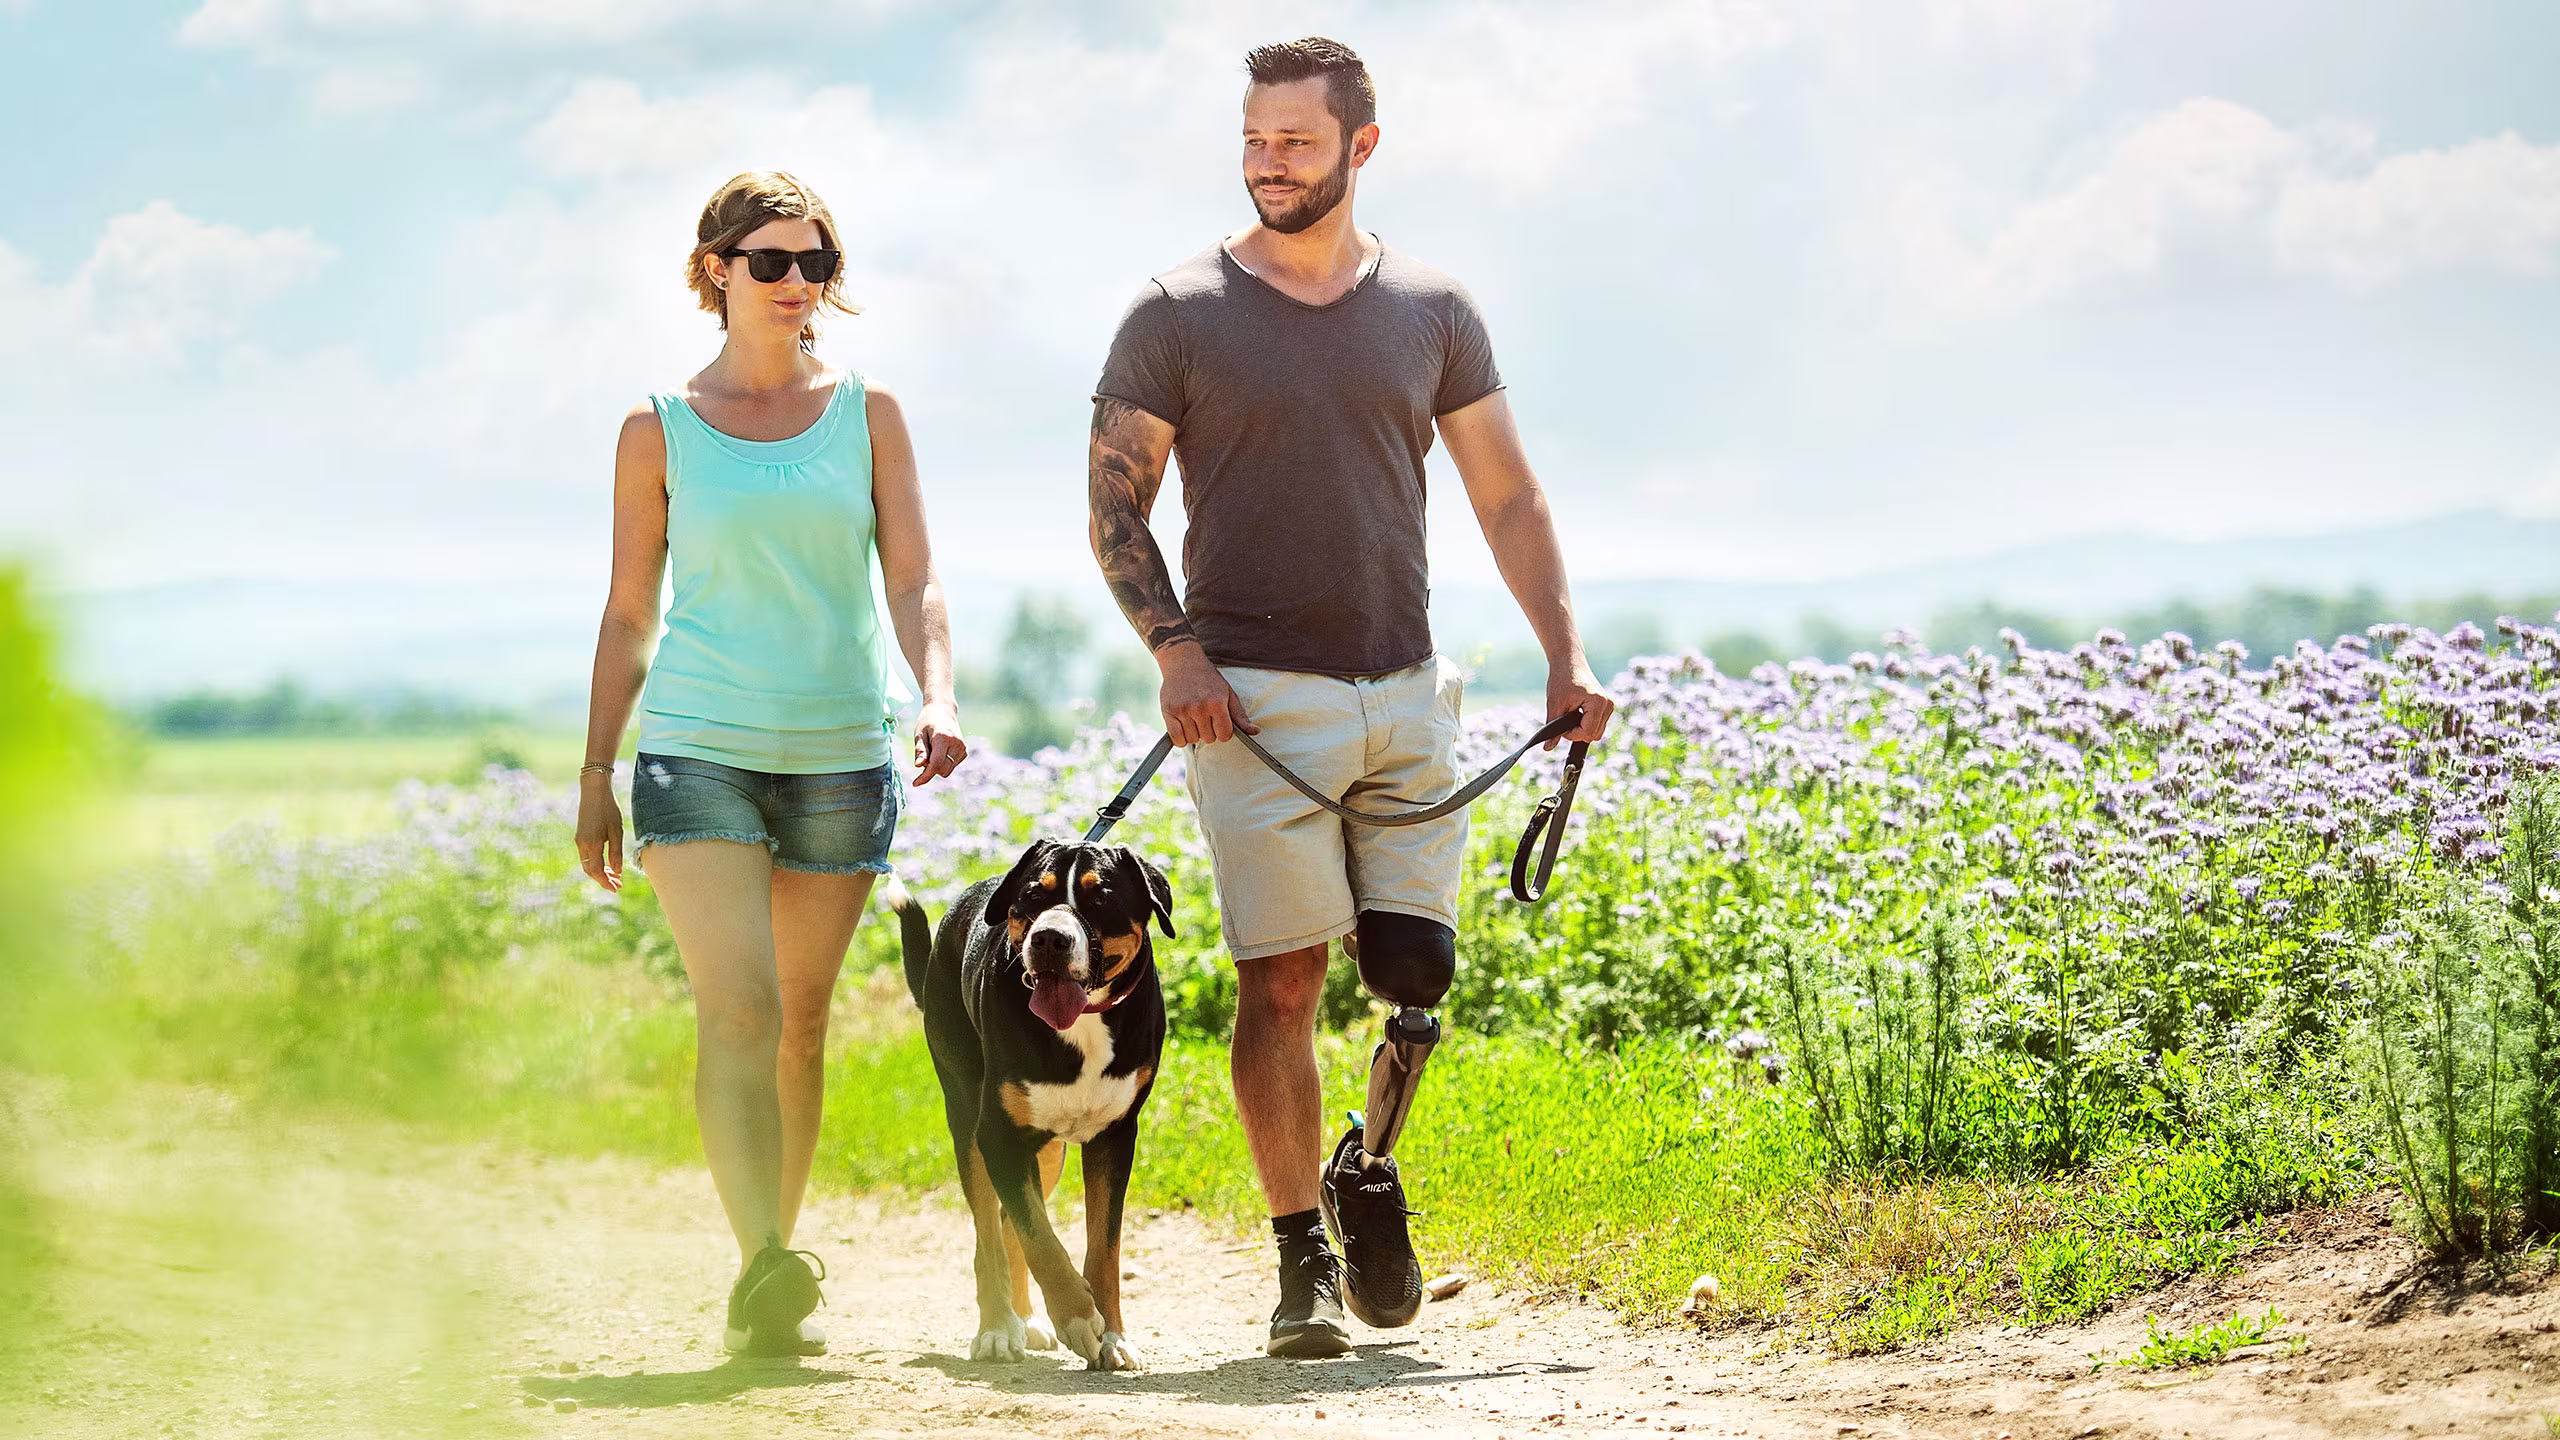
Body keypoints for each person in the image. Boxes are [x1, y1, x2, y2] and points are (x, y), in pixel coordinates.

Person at [1086, 38, 1616, 1358]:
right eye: (1255, 140)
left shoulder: (1432, 308)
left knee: (1415, 978)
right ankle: (1299, 1264)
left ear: (1361, 148)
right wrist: (1175, 654)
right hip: (1252, 706)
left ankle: (1362, 1170)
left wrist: (1565, 655)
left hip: (1407, 685)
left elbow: (1507, 493)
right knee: (1280, 985)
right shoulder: (1176, 312)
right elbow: (1112, 508)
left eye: (1297, 143)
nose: (1270, 163)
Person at [574, 171, 967, 1359]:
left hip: (843, 755)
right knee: (737, 1010)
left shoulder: (871, 413)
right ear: (716, 271)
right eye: (771, 262)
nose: (796, 284)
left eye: (816, 264)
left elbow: (912, 578)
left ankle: (768, 1270)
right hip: (697, 750)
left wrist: (936, 693)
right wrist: (597, 769)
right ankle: (762, 1258)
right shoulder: (659, 426)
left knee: (800, 1025)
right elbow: (630, 610)